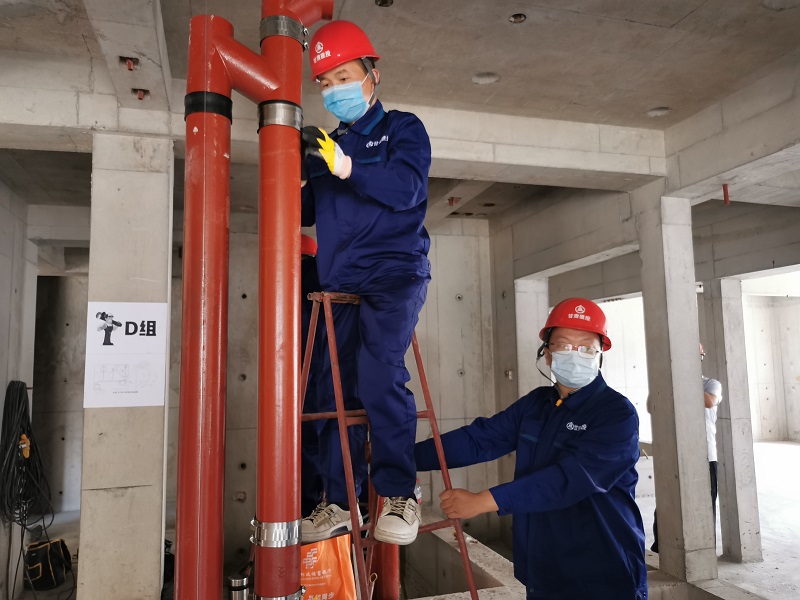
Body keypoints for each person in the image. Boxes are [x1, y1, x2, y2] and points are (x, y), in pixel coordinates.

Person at [415, 298, 648, 599]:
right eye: (563, 345)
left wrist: (484, 501)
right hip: (543, 568)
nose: (575, 355)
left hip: (601, 570)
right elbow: (479, 439)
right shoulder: (537, 405)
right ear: (547, 354)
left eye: (587, 348)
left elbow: (570, 479)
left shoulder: (616, 414)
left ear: (600, 355)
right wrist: (403, 457)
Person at [300, 20, 432, 546]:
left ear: (372, 75)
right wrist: (293, 172)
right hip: (340, 281)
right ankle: (340, 501)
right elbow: (306, 212)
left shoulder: (403, 129)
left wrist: (348, 165)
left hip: (394, 273)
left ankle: (399, 494)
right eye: (326, 83)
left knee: (378, 375)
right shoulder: (326, 147)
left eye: (344, 77)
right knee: (332, 390)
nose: (335, 90)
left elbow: (407, 189)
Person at [650, 344, 722, 553]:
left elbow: (709, 402)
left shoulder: (711, 384)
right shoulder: (669, 384)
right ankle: (663, 546)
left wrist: (684, 381)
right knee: (667, 504)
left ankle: (703, 548)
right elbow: (651, 405)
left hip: (705, 456)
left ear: (700, 358)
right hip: (675, 454)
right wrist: (664, 383)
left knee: (704, 505)